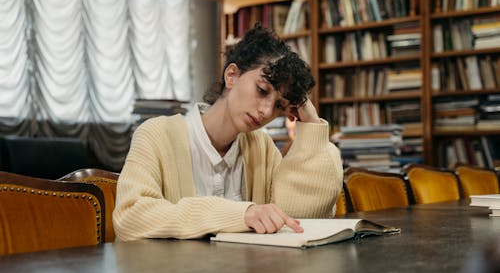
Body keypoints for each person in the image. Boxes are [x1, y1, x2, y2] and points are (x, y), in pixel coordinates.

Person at [113, 24, 343, 241]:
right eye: (262, 90)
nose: (265, 111)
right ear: (232, 75)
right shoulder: (156, 134)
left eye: (279, 106)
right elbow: (130, 216)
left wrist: (312, 125)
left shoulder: (261, 147)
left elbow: (296, 218)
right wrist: (239, 214)